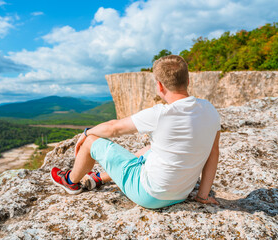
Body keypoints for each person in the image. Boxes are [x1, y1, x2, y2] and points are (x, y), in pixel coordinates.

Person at [50, 55, 221, 209]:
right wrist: (202, 196)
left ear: (159, 86)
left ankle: (71, 181)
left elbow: (113, 128)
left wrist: (87, 133)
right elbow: (213, 153)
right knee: (150, 150)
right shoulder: (210, 110)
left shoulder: (160, 114)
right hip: (181, 194)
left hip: (149, 195)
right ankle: (98, 179)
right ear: (188, 81)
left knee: (91, 142)